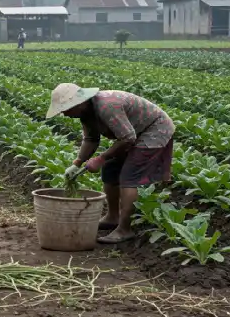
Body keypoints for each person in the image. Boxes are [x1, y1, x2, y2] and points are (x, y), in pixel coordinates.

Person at [46, 83, 175, 245]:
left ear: (79, 103)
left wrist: (101, 158)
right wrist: (77, 163)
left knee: (128, 177)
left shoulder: (107, 106)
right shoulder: (86, 113)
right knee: (110, 169)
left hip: (155, 129)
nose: (64, 114)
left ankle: (125, 229)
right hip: (134, 132)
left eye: (65, 109)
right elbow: (91, 139)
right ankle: (112, 217)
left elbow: (128, 138)